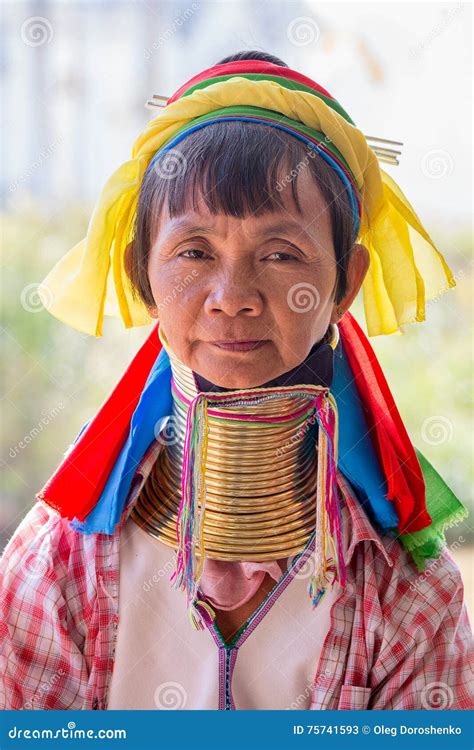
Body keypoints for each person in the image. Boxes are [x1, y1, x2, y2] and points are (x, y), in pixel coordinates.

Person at [1, 51, 472, 711]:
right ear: (142, 274)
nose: (232, 296)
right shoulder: (60, 568)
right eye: (194, 252)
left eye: (281, 254)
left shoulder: (404, 591)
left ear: (347, 283)